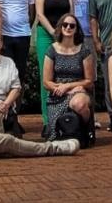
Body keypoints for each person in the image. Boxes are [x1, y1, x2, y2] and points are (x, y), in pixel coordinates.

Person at [41, 13, 93, 141]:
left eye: (72, 25)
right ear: (60, 27)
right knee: (56, 137)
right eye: (65, 25)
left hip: (78, 90)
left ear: (76, 29)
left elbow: (89, 81)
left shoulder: (84, 51)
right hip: (57, 94)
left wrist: (69, 87)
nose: (68, 28)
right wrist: (60, 88)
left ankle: (86, 130)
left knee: (79, 104)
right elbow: (46, 82)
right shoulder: (51, 50)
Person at [33, 0, 72, 115]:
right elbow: (40, 14)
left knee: (64, 75)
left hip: (65, 37)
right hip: (45, 35)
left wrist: (66, 34)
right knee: (47, 77)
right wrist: (53, 32)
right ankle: (47, 120)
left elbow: (71, 15)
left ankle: (63, 116)